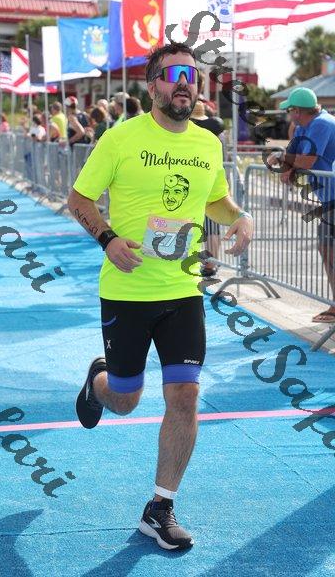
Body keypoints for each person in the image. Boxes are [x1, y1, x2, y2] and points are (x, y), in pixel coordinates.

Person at [68, 41, 253, 551]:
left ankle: (160, 506)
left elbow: (214, 199)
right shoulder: (121, 138)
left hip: (182, 291)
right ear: (152, 86)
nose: (185, 83)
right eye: (173, 75)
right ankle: (99, 383)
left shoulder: (207, 144)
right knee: (126, 399)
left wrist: (239, 216)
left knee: (185, 394)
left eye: (192, 75)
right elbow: (78, 198)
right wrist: (108, 240)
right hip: (127, 291)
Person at [267, 87, 335, 323]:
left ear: (297, 111)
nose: (288, 115)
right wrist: (287, 165)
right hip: (329, 200)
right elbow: (292, 155)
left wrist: (282, 159)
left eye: (290, 110)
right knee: (327, 249)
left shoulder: (322, 124)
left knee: (329, 250)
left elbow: (305, 161)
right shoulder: (304, 126)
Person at [191, 99, 226, 278]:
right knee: (213, 226)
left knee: (202, 224)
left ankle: (208, 262)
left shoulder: (192, 135)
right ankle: (211, 263)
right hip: (215, 182)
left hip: (199, 183)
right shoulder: (216, 136)